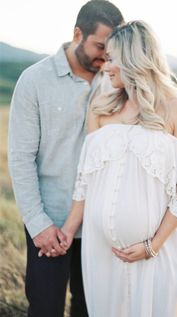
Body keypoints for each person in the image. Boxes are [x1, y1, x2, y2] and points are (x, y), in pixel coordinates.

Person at [55, 21, 177, 317]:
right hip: (101, 253)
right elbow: (85, 180)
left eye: (112, 59)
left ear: (134, 59)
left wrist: (153, 245)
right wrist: (68, 230)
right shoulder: (101, 107)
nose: (105, 67)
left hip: (158, 253)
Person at [8, 1, 124, 317]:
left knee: (93, 310)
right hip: (50, 224)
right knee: (45, 309)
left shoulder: (117, 82)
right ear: (77, 33)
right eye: (100, 46)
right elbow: (20, 158)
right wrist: (38, 224)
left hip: (101, 226)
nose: (106, 57)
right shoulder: (34, 81)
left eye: (112, 50)